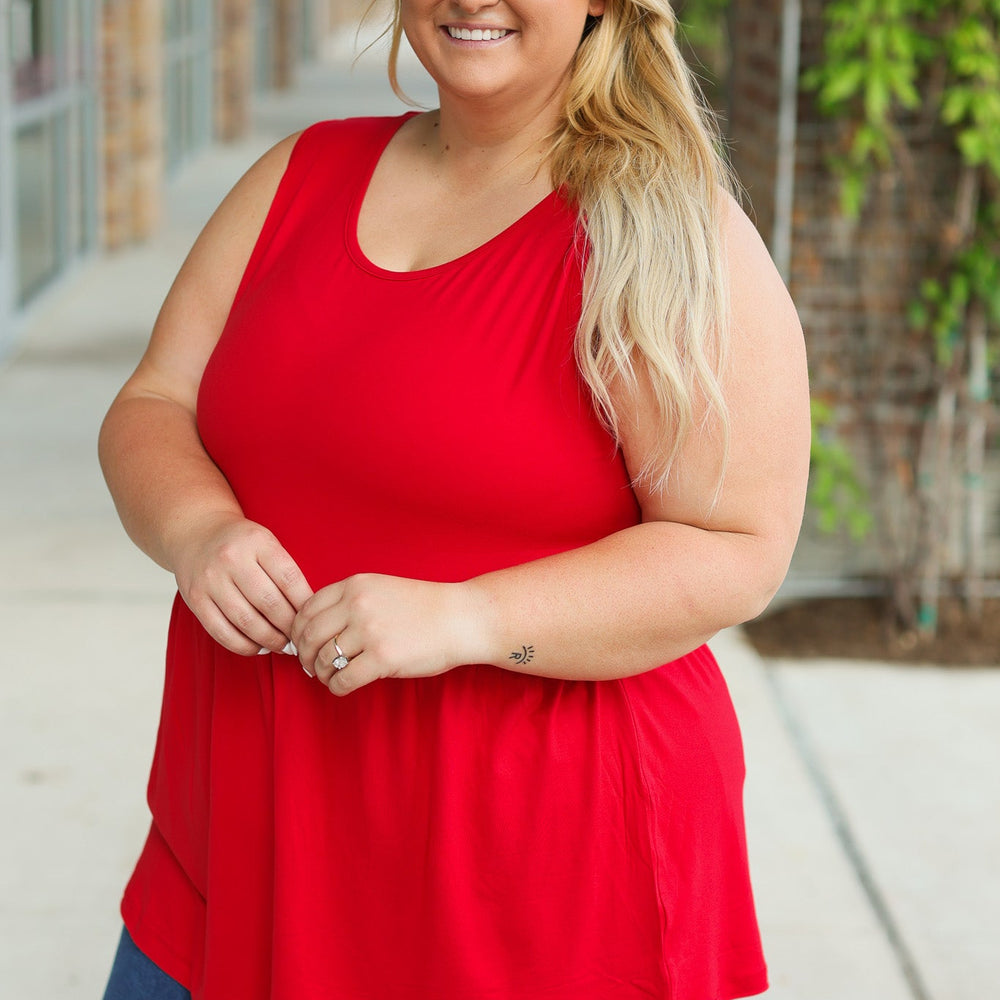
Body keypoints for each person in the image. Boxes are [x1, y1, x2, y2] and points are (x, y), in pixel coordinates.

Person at [98, 0, 810, 995]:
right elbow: (154, 399)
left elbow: (739, 545)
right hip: (239, 840)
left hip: (535, 895)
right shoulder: (297, 176)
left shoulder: (666, 228)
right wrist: (195, 527)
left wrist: (469, 616)